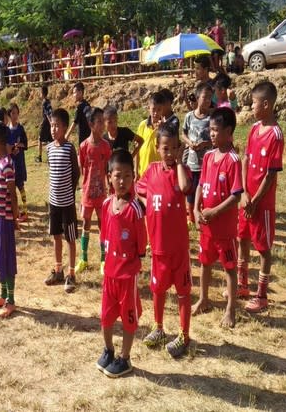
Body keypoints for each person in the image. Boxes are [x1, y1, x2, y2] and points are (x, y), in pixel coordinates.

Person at [136, 124, 193, 358]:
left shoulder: (184, 170)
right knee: (158, 289)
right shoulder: (151, 171)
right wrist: (146, 201)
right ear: (158, 149)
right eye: (165, 148)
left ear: (179, 149)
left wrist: (179, 162)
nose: (169, 153)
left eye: (173, 148)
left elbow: (184, 187)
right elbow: (139, 189)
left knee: (183, 291)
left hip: (178, 246)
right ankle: (158, 327)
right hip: (158, 245)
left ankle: (184, 334)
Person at [96, 149, 146, 378]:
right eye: (118, 175)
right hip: (110, 273)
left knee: (128, 317)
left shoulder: (136, 209)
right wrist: (104, 261)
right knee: (105, 315)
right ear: (109, 177)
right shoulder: (107, 205)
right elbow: (105, 235)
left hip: (127, 275)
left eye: (127, 175)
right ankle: (108, 350)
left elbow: (141, 244)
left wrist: (133, 267)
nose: (122, 180)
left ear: (133, 177)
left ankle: (125, 358)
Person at [191, 107, 242, 328]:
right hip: (206, 227)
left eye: (215, 130)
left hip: (224, 229)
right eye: (210, 130)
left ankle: (231, 308)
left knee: (229, 268)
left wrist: (215, 211)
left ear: (228, 131)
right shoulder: (209, 156)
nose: (211, 134)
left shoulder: (233, 160)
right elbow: (201, 184)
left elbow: (236, 196)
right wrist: (195, 209)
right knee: (204, 263)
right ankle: (204, 298)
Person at [239, 82, 284, 313]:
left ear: (265, 104)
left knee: (264, 248)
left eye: (254, 103)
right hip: (248, 200)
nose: (251, 106)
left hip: (262, 204)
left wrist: (255, 200)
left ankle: (261, 296)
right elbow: (245, 159)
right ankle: (242, 284)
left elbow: (270, 175)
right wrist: (244, 193)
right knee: (243, 239)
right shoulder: (254, 128)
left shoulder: (276, 135)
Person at [44, 108, 80, 293]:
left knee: (70, 238)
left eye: (57, 125)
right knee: (56, 236)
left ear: (65, 127)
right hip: (53, 203)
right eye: (52, 125)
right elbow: (52, 172)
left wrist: (70, 192)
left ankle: (71, 274)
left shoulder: (69, 148)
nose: (53, 129)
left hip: (67, 205)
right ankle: (58, 270)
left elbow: (76, 172)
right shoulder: (49, 148)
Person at [0, 121, 20, 319]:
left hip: (5, 221)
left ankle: (11, 300)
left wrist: (15, 218)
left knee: (7, 260)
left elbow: (13, 195)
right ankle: (2, 294)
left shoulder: (8, 164)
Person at [76, 107, 111, 275]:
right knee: (86, 224)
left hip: (102, 194)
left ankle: (104, 260)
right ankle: (83, 258)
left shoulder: (105, 146)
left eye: (103, 121)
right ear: (91, 125)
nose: (103, 125)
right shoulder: (83, 146)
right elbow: (82, 169)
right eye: (99, 122)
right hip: (88, 194)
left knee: (103, 225)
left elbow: (108, 168)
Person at [182, 82, 213, 225]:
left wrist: (205, 144)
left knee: (204, 190)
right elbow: (183, 134)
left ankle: (202, 213)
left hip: (206, 164)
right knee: (190, 190)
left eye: (209, 98)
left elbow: (215, 139)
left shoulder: (211, 119)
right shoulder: (189, 116)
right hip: (191, 163)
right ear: (198, 96)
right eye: (204, 97)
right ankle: (190, 218)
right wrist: (190, 143)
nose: (207, 101)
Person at [135, 92, 165, 179]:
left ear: (162, 110)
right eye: (153, 109)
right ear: (149, 108)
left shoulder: (165, 127)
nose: (155, 113)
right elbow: (137, 149)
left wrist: (162, 129)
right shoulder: (142, 125)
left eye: (159, 110)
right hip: (143, 172)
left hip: (159, 173)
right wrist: (136, 171)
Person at [8, 103, 28, 221]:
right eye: (13, 113)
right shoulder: (7, 130)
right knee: (11, 187)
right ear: (9, 114)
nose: (15, 115)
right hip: (10, 162)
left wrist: (19, 146)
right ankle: (13, 210)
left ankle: (25, 210)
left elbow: (25, 144)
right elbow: (5, 146)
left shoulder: (21, 129)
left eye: (17, 113)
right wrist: (11, 149)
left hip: (19, 161)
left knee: (20, 185)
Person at [37, 84, 53, 163]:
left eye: (40, 93)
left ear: (42, 94)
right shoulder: (49, 101)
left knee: (40, 139)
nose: (40, 94)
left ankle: (39, 157)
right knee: (50, 140)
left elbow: (47, 114)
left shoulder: (44, 102)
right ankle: (50, 157)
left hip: (46, 123)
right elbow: (50, 113)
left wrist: (50, 122)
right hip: (48, 123)